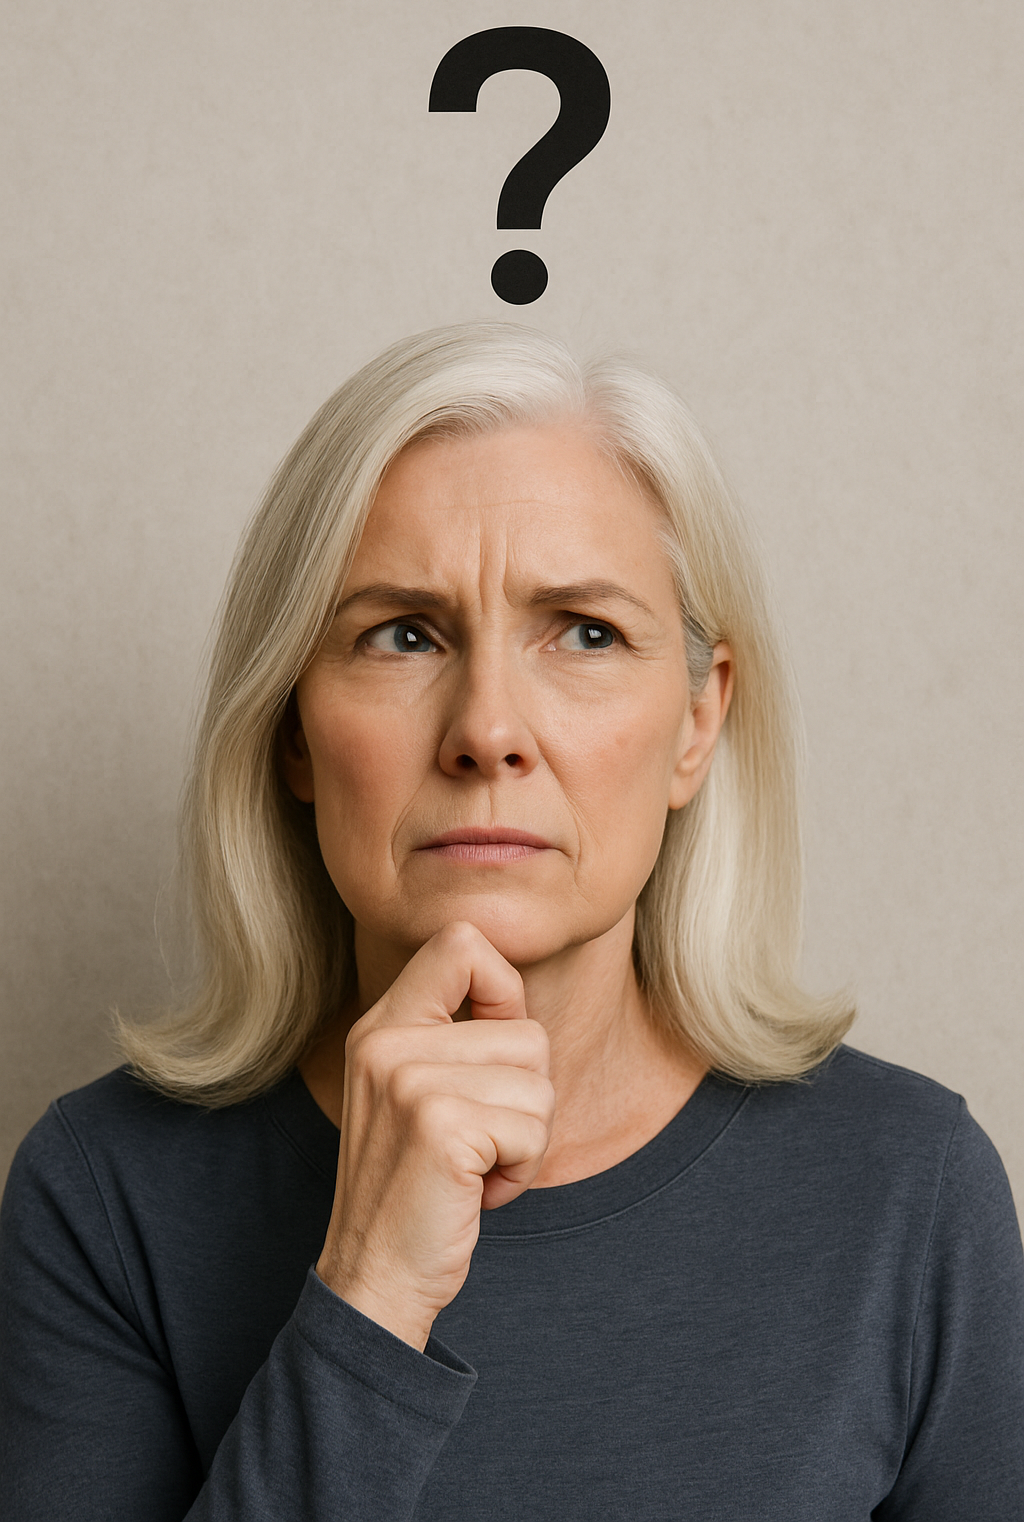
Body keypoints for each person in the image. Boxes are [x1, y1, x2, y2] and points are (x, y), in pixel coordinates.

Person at [0, 322, 1021, 1520]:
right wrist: (370, 1292)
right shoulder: (102, 1194)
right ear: (291, 732)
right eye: (401, 633)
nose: (487, 728)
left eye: (585, 633)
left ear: (697, 722)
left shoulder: (908, 1190)